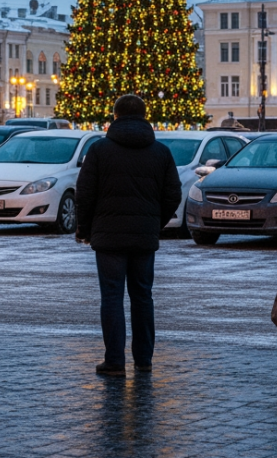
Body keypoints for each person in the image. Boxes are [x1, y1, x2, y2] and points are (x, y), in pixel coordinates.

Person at [75, 94, 181, 377]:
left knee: (111, 297)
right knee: (143, 297)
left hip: (108, 237)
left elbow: (84, 195)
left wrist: (85, 229)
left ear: (115, 116)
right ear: (145, 116)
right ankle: (144, 360)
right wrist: (154, 223)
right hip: (144, 236)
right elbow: (173, 194)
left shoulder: (99, 150)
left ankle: (114, 362)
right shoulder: (161, 151)